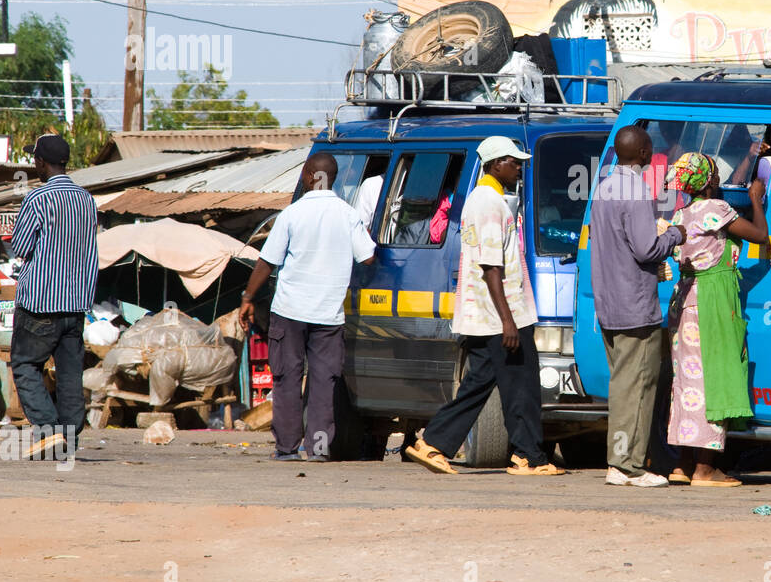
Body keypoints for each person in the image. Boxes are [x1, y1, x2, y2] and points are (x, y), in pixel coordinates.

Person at [405, 136, 564, 476]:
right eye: (513, 162)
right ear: (495, 165)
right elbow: (492, 266)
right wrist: (508, 322)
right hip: (501, 316)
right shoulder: (490, 203)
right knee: (522, 387)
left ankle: (432, 443)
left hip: (487, 314)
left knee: (479, 384)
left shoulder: (485, 199)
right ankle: (529, 457)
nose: (519, 168)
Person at [239, 153, 376, 462]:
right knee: (324, 381)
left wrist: (247, 298)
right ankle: (317, 448)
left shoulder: (292, 213)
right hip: (329, 314)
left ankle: (287, 449)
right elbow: (368, 256)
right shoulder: (347, 214)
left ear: (309, 176)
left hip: (289, 312)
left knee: (287, 378)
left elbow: (267, 261)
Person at [663, 152, 769, 486]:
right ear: (709, 182)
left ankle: (681, 465)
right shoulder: (717, 210)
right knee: (712, 382)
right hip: (712, 304)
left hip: (684, 302)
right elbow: (759, 235)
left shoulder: (681, 213)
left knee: (685, 384)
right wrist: (755, 200)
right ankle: (705, 469)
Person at [590, 125, 686, 487]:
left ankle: (621, 460)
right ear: (644, 154)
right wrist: (676, 234)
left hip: (609, 302)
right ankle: (626, 465)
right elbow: (647, 250)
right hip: (634, 304)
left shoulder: (605, 187)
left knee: (623, 384)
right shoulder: (636, 191)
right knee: (639, 385)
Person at [9, 134, 98, 460]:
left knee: (24, 364)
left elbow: (20, 247)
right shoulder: (87, 200)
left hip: (40, 305)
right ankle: (68, 442)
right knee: (71, 375)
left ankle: (48, 430)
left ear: (42, 163)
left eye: (35, 159)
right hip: (75, 303)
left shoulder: (37, 199)